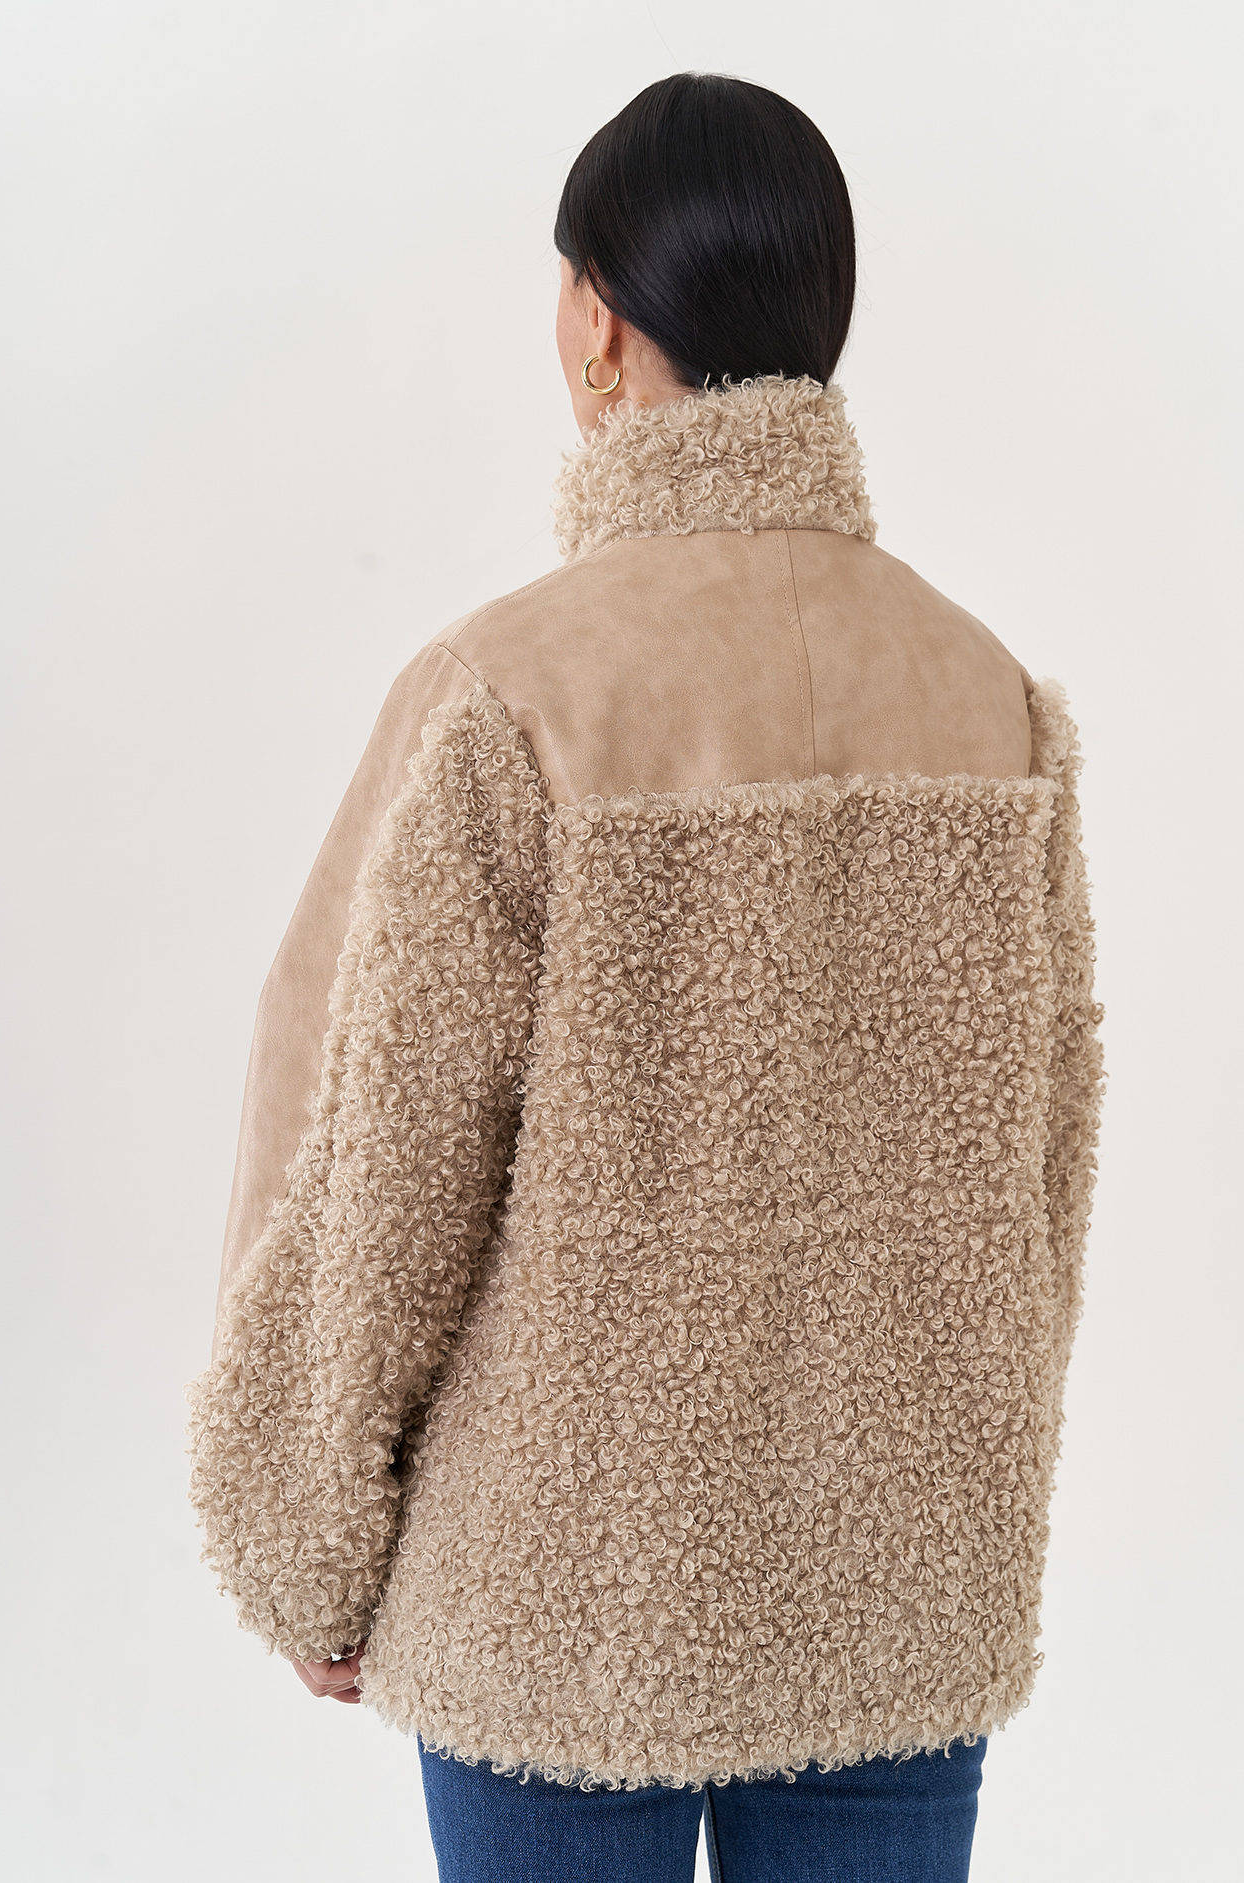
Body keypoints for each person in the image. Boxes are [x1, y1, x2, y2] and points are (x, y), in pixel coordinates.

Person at [188, 72, 1104, 1883]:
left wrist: (307, 1533)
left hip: (561, 1604)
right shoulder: (991, 699)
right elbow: (1049, 1165)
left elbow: (380, 1160)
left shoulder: (511, 693)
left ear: (601, 321)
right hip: (896, 1589)